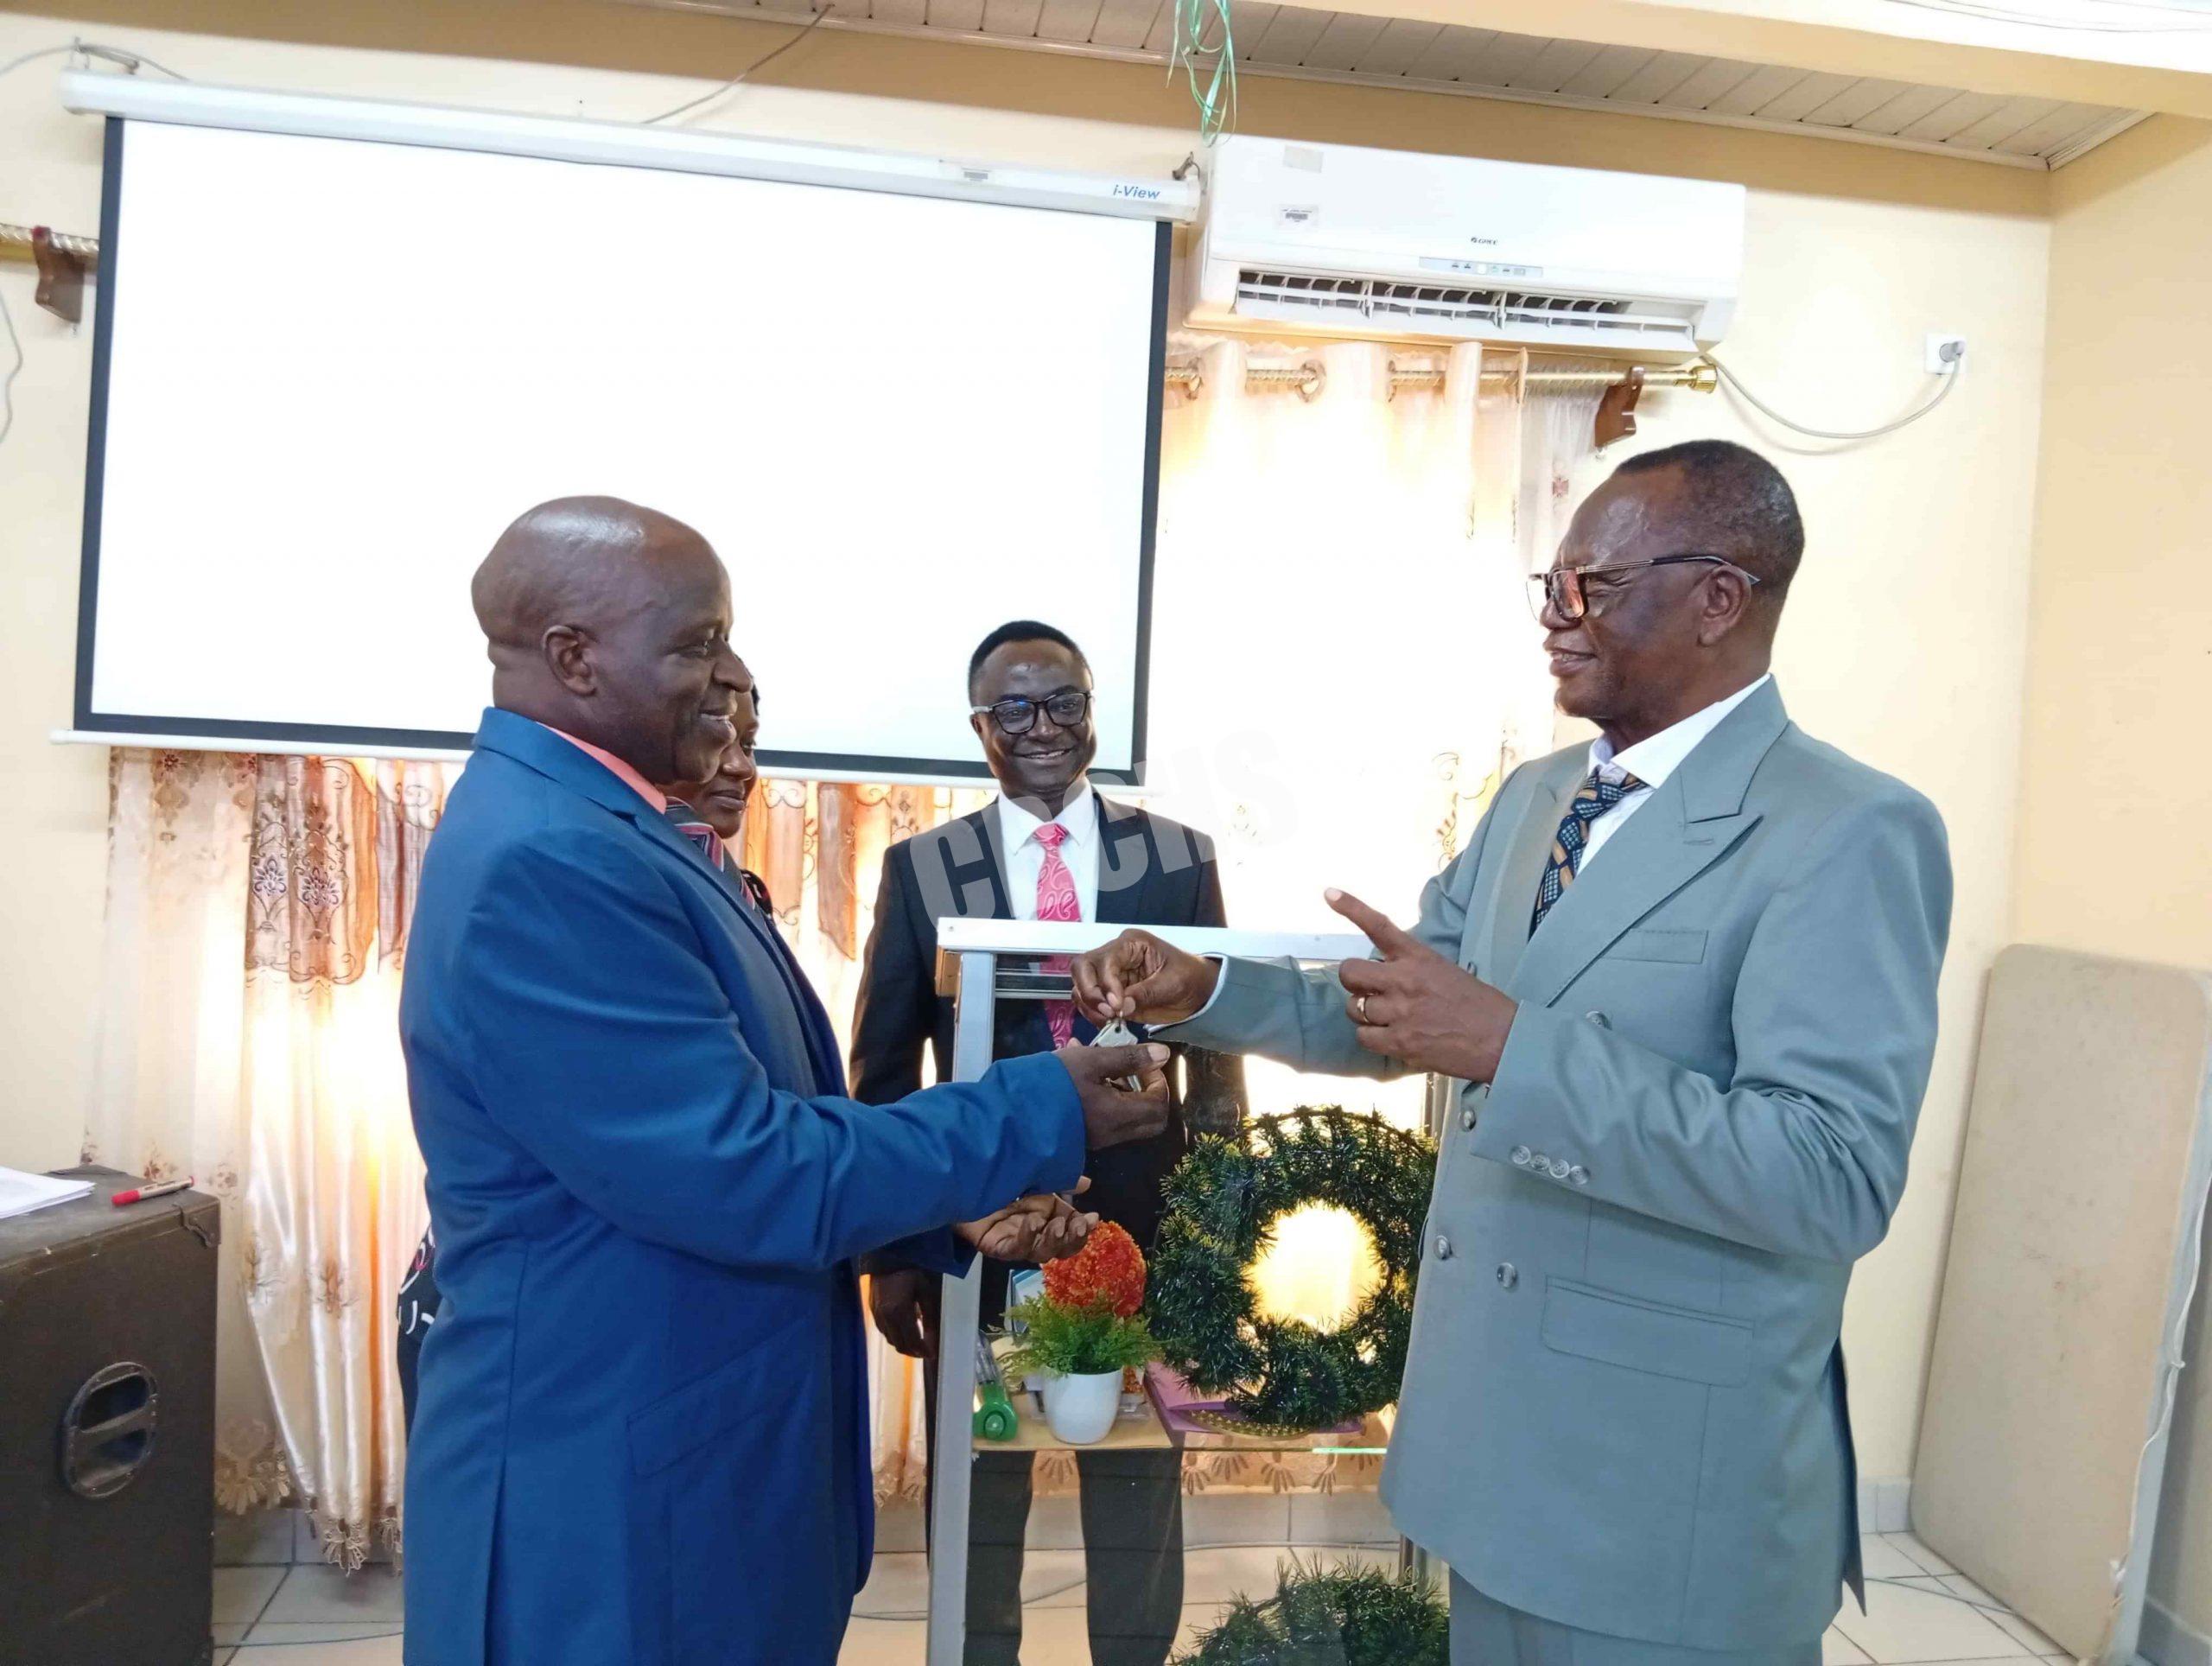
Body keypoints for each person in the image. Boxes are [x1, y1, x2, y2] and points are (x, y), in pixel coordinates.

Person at [1072, 441, 1953, 1666]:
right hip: (1493, 1475)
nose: (1557, 616)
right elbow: (1402, 1007)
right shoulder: (1540, 798)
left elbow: (1831, 1174)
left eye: (1592, 584)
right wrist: (1204, 989)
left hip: (1662, 1510)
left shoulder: (1847, 832)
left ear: (1719, 600)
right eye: (1552, 581)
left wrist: (1515, 1050)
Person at [397, 497, 1171, 1666]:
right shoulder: (552, 859)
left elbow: (758, 1131)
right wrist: (1044, 1102)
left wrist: (941, 1204)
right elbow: (745, 1170)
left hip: (694, 1459)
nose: (721, 682)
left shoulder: (622, 826)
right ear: (573, 657)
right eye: (696, 644)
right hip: (612, 1500)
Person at [851, 620, 1245, 1666]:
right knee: (978, 1479)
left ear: (1091, 711)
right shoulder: (923, 867)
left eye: (1061, 702)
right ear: (980, 727)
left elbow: (1217, 1061)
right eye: (1013, 709)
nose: (1042, 728)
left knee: (1135, 1480)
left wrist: (1220, 1240)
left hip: (1147, 1222)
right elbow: (885, 1069)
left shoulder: (1177, 858)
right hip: (976, 1222)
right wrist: (891, 1253)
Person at [392, 671, 824, 1431]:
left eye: (752, 743)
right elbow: (728, 1162)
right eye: (722, 734)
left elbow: (799, 1112)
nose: (742, 764)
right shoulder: (564, 864)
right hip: (579, 1376)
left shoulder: (718, 876)